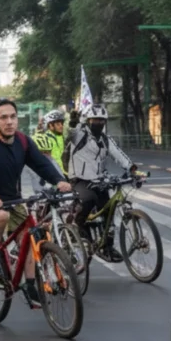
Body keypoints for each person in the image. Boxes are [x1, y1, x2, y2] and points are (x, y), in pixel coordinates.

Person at [0, 98, 71, 306]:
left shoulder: (23, 141)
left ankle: (30, 284)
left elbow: (41, 164)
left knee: (29, 235)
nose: (9, 122)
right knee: (1, 216)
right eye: (3, 118)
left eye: (13, 117)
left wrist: (59, 180)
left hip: (13, 198)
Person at [63, 104, 135, 262]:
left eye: (102, 120)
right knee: (89, 199)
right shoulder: (79, 135)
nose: (99, 123)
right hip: (79, 179)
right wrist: (73, 121)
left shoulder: (105, 139)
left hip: (99, 180)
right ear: (88, 120)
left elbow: (118, 154)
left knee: (110, 208)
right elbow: (68, 132)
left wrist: (132, 168)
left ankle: (107, 246)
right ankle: (77, 228)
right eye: (95, 120)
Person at [32, 109, 66, 175]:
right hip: (52, 173)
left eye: (62, 123)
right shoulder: (46, 138)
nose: (61, 126)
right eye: (58, 124)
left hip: (62, 173)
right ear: (50, 125)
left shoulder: (60, 137)